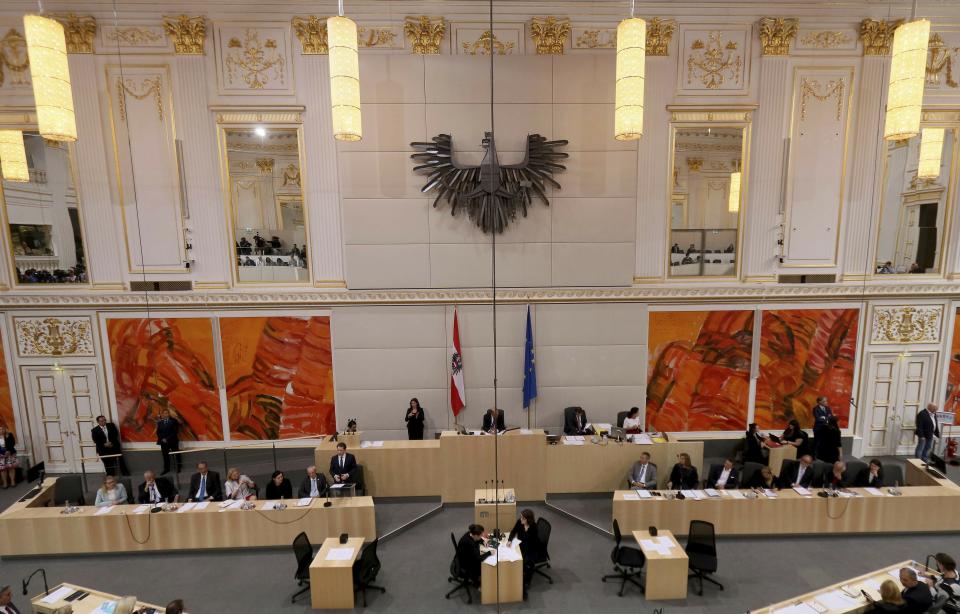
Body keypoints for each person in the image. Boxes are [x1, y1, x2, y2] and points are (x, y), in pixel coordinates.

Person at [508, 509, 543, 597]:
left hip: (531, 550)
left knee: (523, 565)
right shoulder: (519, 522)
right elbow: (513, 531)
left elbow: (532, 543)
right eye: (521, 517)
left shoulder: (534, 527)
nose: (521, 519)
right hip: (521, 546)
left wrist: (522, 554)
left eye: (523, 518)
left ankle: (525, 582)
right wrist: (509, 540)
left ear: (528, 519)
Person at [156, 409, 180, 475]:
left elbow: (175, 432)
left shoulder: (174, 421)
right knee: (165, 456)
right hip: (163, 442)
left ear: (169, 414)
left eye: (166, 413)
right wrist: (162, 439)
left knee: (176, 454)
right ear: (162, 414)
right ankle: (166, 469)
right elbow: (158, 432)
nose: (165, 414)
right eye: (164, 413)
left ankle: (178, 468)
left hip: (173, 441)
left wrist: (167, 438)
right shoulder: (160, 422)